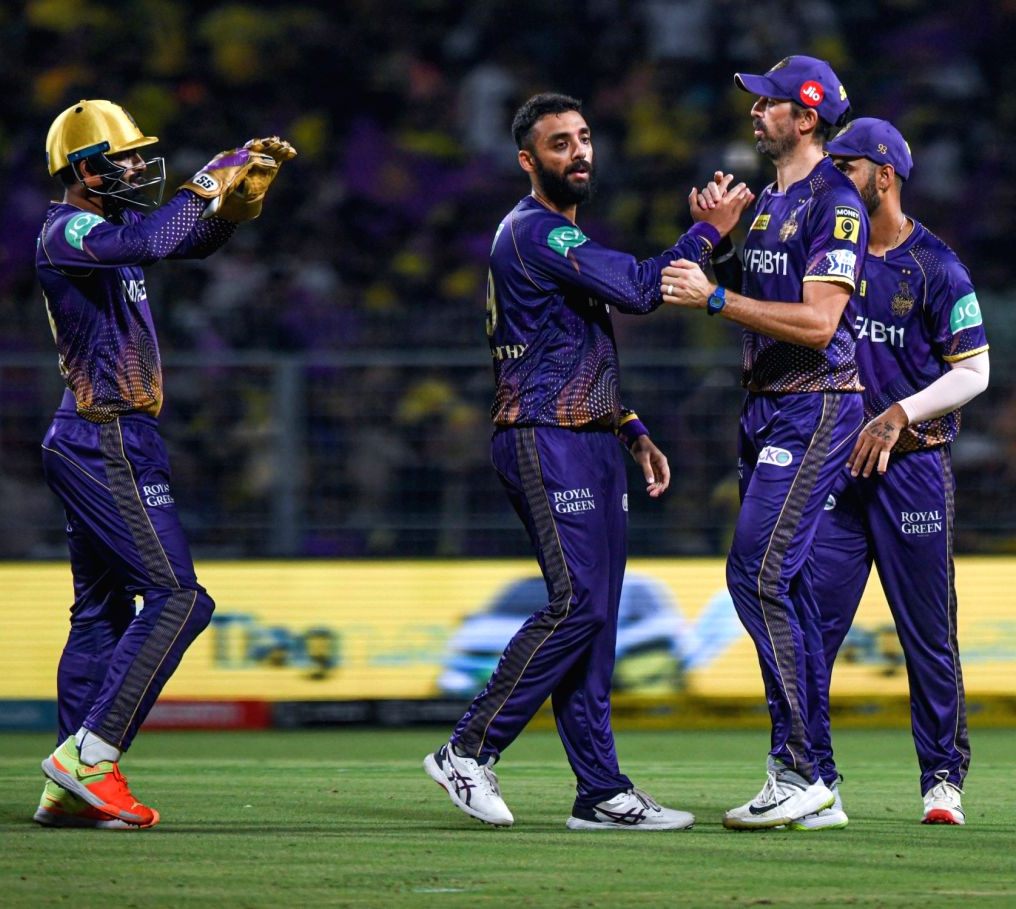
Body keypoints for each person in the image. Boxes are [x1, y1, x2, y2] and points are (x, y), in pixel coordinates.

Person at [423, 92, 752, 830]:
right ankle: (466, 748)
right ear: (528, 160)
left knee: (596, 619)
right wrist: (708, 231)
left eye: (584, 138)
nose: (579, 152)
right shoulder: (538, 232)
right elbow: (639, 290)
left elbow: (568, 346)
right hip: (546, 437)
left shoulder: (558, 238)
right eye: (560, 142)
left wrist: (629, 423)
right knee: (578, 603)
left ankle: (600, 790)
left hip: (590, 436)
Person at [34, 99, 295, 829]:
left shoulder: (109, 232)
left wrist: (232, 212)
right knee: (181, 599)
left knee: (101, 613)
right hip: (104, 435)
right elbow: (151, 243)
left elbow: (181, 244)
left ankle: (67, 786)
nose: (137, 168)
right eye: (121, 158)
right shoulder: (69, 228)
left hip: (97, 434)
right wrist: (207, 180)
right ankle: (91, 757)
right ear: (84, 170)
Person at [660, 56, 868, 829]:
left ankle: (803, 768)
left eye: (768, 102)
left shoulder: (834, 202)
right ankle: (815, 780)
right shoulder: (773, 201)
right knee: (792, 589)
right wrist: (713, 243)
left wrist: (715, 295)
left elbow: (819, 325)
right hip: (768, 408)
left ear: (805, 117)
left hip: (815, 405)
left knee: (755, 571)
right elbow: (766, 295)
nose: (754, 111)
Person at [794, 118, 989, 829]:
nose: (831, 181)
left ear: (884, 175)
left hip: (912, 468)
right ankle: (810, 775)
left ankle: (942, 779)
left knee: (929, 633)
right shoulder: (826, 255)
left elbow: (976, 370)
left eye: (843, 167)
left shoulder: (937, 266)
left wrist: (899, 413)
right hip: (840, 472)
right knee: (812, 628)